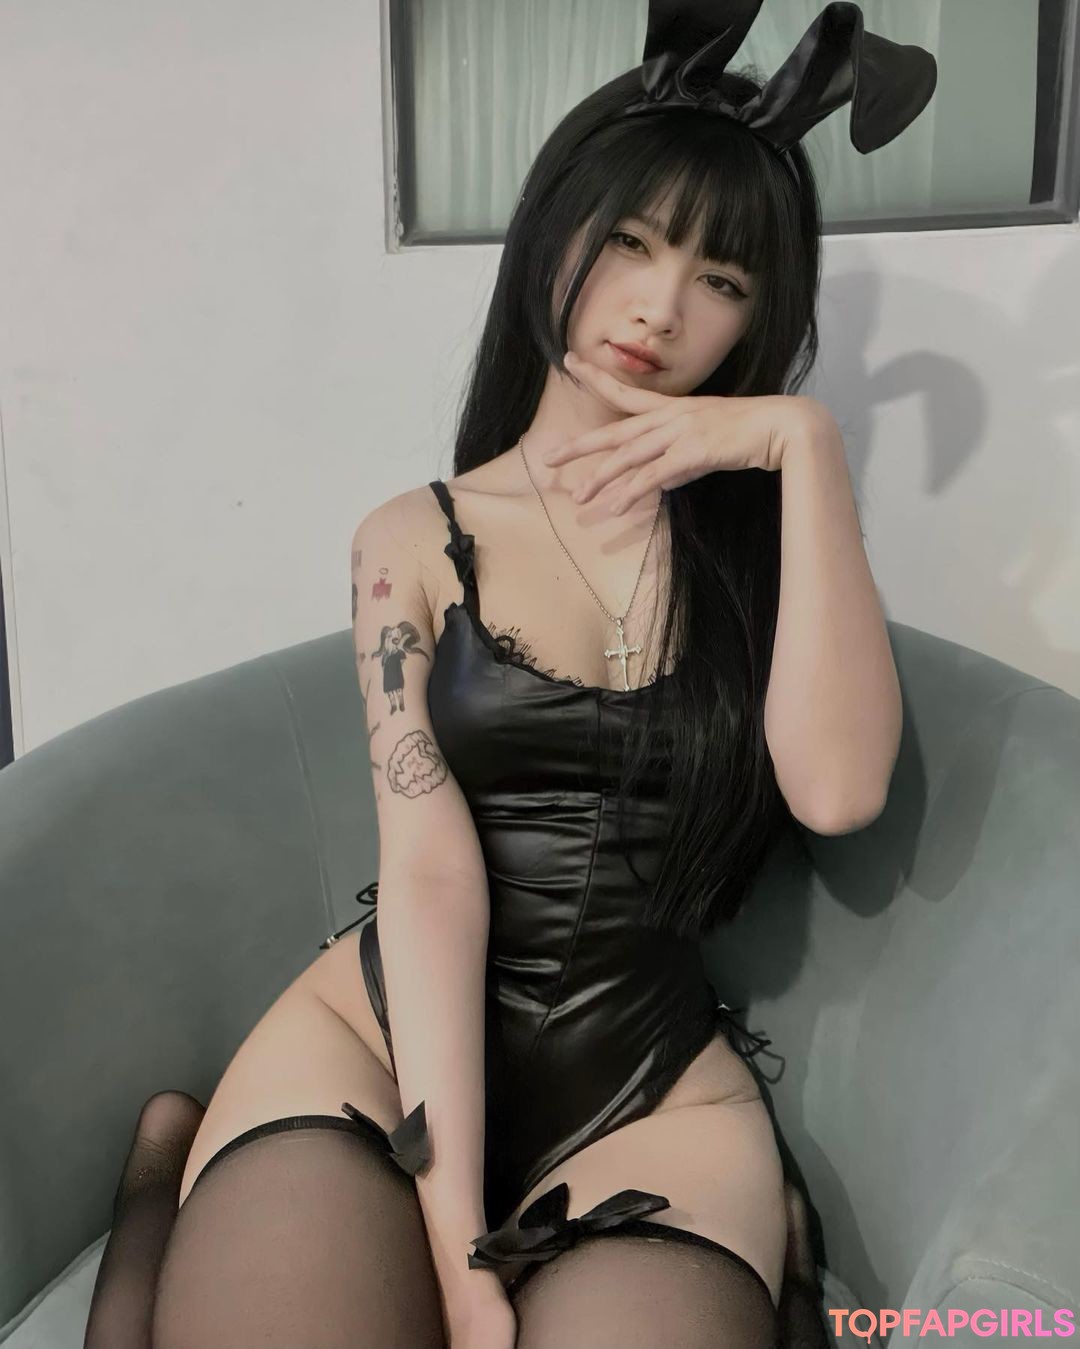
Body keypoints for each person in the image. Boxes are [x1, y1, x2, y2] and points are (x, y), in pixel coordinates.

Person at [84, 2, 932, 1344]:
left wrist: (807, 448)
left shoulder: (773, 546)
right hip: (383, 1050)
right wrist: (454, 1245)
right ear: (555, 231)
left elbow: (837, 792)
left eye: (723, 278)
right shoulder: (411, 541)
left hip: (650, 1094)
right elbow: (430, 880)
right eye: (632, 241)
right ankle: (158, 1189)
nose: (661, 307)